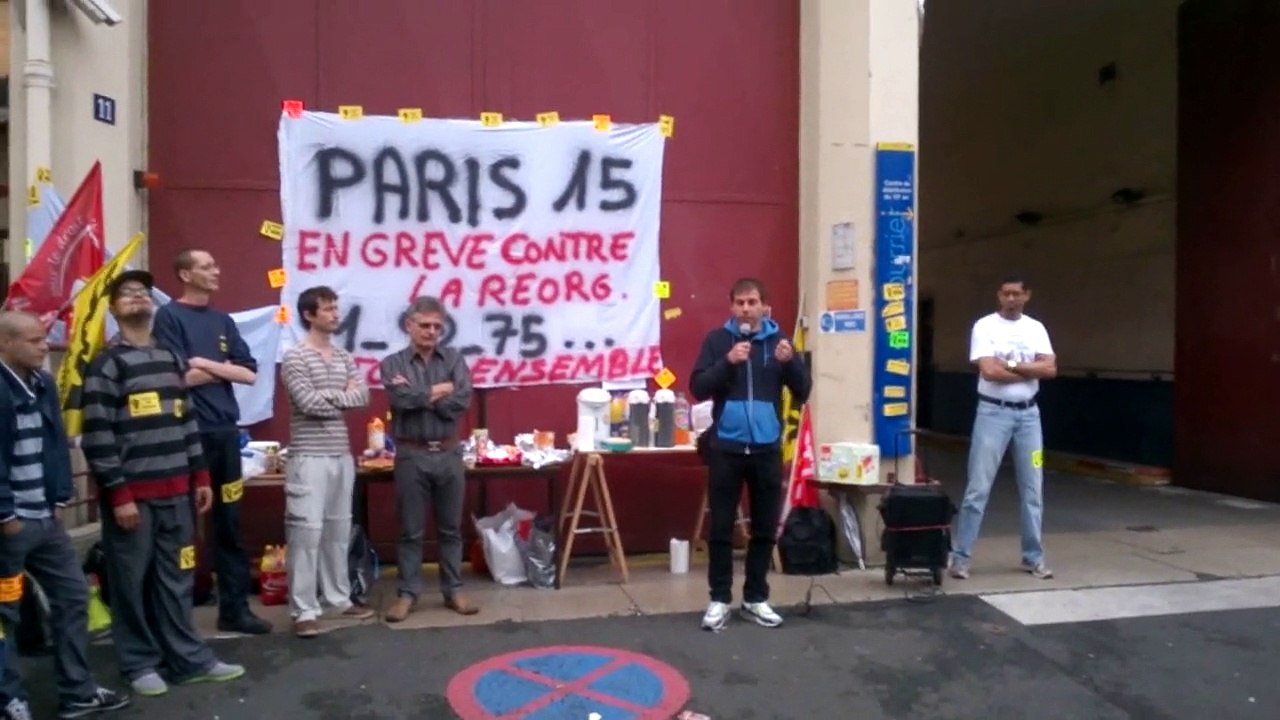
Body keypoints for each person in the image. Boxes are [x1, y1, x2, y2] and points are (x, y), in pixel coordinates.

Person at [80, 270, 246, 698]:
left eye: (141, 292)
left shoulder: (171, 358)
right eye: (126, 294)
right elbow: (98, 436)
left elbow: (187, 421)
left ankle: (189, 660)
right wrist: (118, 495)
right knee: (130, 582)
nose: (136, 297)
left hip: (179, 493)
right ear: (114, 309)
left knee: (176, 581)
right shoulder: (106, 363)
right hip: (133, 499)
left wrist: (201, 476)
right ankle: (138, 663)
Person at [0, 311, 129, 720]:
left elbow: (56, 446)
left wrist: (58, 499)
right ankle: (8, 699)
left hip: (46, 522)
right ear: (5, 343)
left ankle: (77, 692)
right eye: (35, 340)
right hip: (10, 528)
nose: (44, 346)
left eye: (43, 339)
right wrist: (5, 516)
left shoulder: (42, 385)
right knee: (3, 614)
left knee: (73, 596)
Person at [152, 249, 270, 635]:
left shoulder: (222, 320)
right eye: (206, 266)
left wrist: (203, 363)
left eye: (215, 264)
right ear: (185, 274)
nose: (216, 270)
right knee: (183, 528)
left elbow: (249, 374)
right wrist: (221, 371)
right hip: (187, 436)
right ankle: (178, 618)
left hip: (224, 436)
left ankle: (234, 610)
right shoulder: (169, 316)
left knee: (230, 524)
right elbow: (174, 378)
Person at [689, 277, 810, 631]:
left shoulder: (780, 343)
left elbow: (803, 391)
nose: (746, 308)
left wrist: (791, 365)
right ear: (731, 307)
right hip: (726, 447)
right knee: (722, 528)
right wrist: (727, 362)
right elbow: (697, 388)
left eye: (752, 302)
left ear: (764, 306)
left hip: (766, 449)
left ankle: (756, 597)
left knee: (763, 528)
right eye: (740, 303)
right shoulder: (717, 340)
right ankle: (719, 599)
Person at [280, 286, 374, 638]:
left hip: (341, 454)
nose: (335, 314)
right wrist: (342, 396)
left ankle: (338, 599)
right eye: (328, 309)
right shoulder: (295, 357)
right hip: (308, 455)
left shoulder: (343, 356)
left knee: (337, 530)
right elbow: (307, 403)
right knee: (306, 533)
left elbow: (363, 396)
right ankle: (304, 609)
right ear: (309, 315)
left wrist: (333, 397)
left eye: (336, 307)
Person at [949, 275, 1056, 581]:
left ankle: (1033, 557)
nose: (1011, 299)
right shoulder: (985, 326)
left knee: (1033, 488)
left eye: (1016, 294)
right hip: (992, 414)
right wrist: (1029, 370)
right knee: (977, 488)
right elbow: (988, 371)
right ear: (999, 296)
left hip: (1029, 416)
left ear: (1026, 296)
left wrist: (1009, 366)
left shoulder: (1035, 328)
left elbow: (1051, 368)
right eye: (1006, 294)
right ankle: (961, 558)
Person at [378, 297, 478, 622]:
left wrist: (424, 395)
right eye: (425, 325)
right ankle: (407, 594)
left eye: (437, 326)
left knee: (451, 529)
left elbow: (460, 401)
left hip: (449, 452)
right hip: (411, 454)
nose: (431, 331)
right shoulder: (393, 364)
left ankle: (454, 590)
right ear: (409, 325)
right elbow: (400, 399)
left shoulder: (454, 359)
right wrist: (439, 391)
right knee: (410, 530)